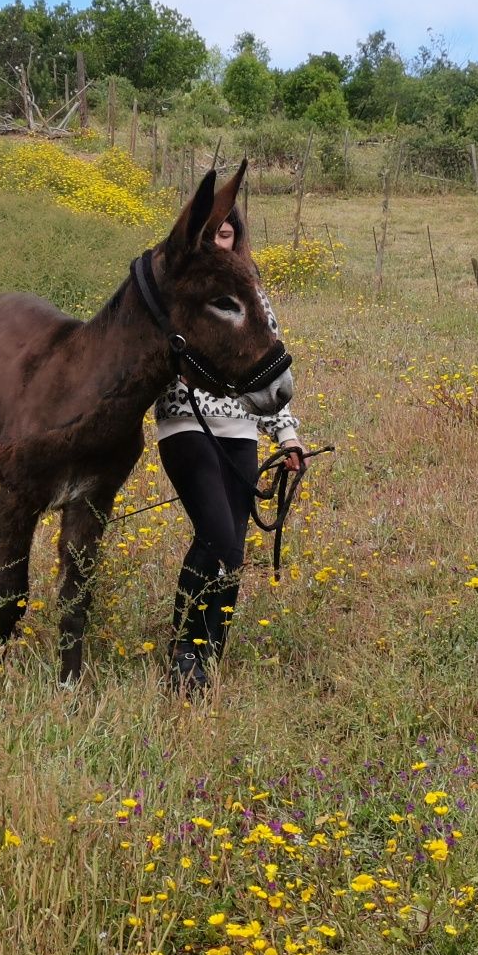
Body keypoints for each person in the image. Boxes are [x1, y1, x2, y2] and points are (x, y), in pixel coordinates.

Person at [154, 208, 304, 693]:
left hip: (240, 430)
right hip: (185, 421)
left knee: (232, 550)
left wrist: (287, 437)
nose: (221, 242)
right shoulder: (180, 293)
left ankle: (207, 649)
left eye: (227, 234)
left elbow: (265, 373)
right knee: (217, 535)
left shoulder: (254, 298)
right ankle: (185, 650)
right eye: (212, 235)